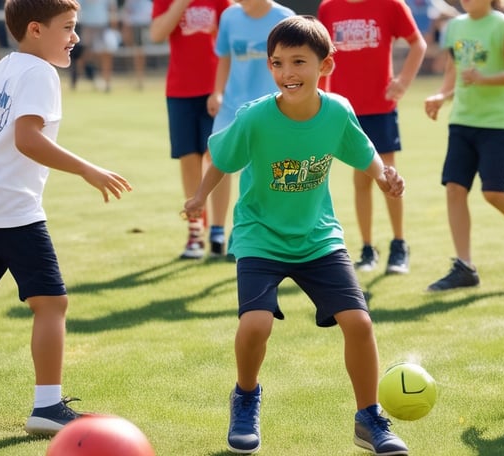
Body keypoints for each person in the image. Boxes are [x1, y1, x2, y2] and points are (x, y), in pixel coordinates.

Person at [183, 15, 409, 455]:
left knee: (359, 323)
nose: (287, 73)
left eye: (299, 62)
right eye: (278, 63)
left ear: (326, 65)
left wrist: (385, 177)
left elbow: (364, 152)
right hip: (259, 236)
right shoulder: (255, 118)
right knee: (255, 324)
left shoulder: (338, 111)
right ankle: (245, 398)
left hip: (318, 237)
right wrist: (198, 198)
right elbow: (223, 159)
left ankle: (369, 419)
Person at [0, 0, 132, 436]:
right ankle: (47, 407)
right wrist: (88, 168)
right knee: (52, 302)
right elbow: (27, 139)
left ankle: (47, 405)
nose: (75, 38)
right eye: (68, 27)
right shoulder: (40, 73)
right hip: (12, 210)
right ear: (35, 29)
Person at [422, 0, 504, 291]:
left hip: (498, 124)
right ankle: (465, 267)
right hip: (462, 121)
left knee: (494, 191)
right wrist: (441, 96)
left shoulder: (501, 25)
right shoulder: (454, 26)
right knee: (454, 188)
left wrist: (485, 79)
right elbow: (452, 75)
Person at [318, 0, 426, 275]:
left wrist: (402, 81)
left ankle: (399, 245)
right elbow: (320, 59)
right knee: (360, 180)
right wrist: (319, 99)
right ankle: (367, 249)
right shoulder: (329, 8)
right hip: (345, 110)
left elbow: (418, 43)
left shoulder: (390, 5)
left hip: (380, 108)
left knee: (388, 177)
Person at [206, 0, 295, 258]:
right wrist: (217, 92)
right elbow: (224, 57)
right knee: (218, 161)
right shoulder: (229, 16)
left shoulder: (284, 17)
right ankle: (216, 231)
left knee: (260, 171)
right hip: (231, 106)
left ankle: (246, 231)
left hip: (268, 109)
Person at [150, 0, 232, 259]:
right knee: (188, 159)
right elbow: (156, 34)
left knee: (219, 158)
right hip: (180, 90)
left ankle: (218, 231)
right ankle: (195, 231)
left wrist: (220, 89)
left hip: (215, 90)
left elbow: (229, 41)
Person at [74, 0, 119, 92]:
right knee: (85, 55)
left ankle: (107, 82)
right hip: (87, 26)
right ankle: (76, 80)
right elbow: (76, 7)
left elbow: (112, 9)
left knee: (106, 54)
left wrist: (114, 28)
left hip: (103, 26)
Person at [120, 0, 154, 90]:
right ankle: (137, 78)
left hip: (143, 26)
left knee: (140, 54)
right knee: (136, 54)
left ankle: (140, 79)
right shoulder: (131, 2)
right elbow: (126, 15)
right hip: (135, 27)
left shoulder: (148, 3)